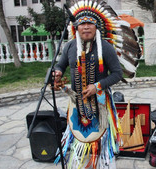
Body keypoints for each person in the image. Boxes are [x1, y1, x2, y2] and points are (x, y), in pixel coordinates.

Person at [52, 1, 139, 168]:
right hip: (76, 102)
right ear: (76, 27)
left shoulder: (105, 47)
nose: (86, 27)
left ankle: (104, 164)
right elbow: (60, 65)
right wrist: (57, 73)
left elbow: (117, 74)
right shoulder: (69, 47)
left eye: (89, 24)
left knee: (102, 142)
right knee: (80, 141)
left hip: (100, 102)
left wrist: (97, 86)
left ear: (96, 27)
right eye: (82, 24)